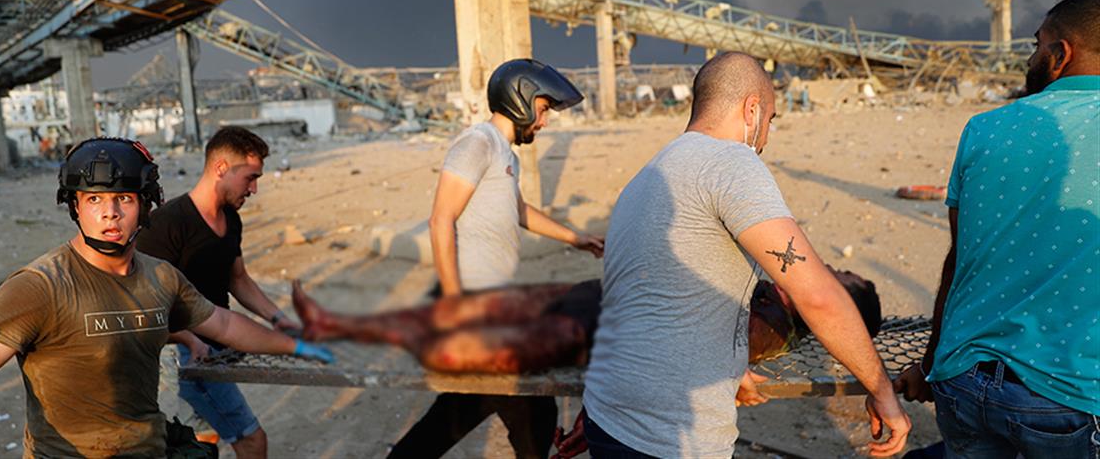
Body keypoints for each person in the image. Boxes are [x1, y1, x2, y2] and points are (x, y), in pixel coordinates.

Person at [581, 52, 910, 458]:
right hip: (667, 436)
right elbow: (817, 295)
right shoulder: (730, 162)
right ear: (751, 110)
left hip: (608, 414)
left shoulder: (653, 171)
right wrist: (882, 391)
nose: (767, 136)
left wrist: (729, 360)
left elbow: (663, 293)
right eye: (770, 120)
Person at [0, 138, 330, 458]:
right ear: (75, 207)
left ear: (145, 206)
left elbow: (223, 323)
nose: (109, 213)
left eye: (124, 199)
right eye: (94, 199)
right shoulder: (40, 286)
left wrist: (295, 345)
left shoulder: (161, 277)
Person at [893, 0, 1100, 457]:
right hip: (1074, 395)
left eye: (1036, 44)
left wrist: (930, 365)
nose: (1030, 57)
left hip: (963, 382)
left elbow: (958, 261)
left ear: (1060, 54)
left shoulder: (983, 128)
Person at [388, 58, 605, 459]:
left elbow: (518, 209)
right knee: (524, 407)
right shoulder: (478, 144)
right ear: (520, 100)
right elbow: (441, 220)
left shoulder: (505, 154)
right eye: (543, 109)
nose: (544, 122)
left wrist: (575, 238)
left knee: (498, 408)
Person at [288, 268, 883, 375]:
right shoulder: (772, 285)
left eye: (841, 279)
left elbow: (703, 346)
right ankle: (334, 324)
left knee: (456, 348)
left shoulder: (774, 328)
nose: (828, 270)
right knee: (468, 306)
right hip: (600, 296)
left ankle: (383, 335)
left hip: (600, 330)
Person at [137, 127, 310, 458]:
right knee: (252, 441)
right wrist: (189, 339)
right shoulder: (166, 224)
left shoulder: (231, 219)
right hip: (184, 351)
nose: (254, 189)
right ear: (221, 168)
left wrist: (279, 319)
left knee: (201, 440)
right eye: (250, 178)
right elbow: (146, 306)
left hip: (217, 343)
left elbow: (238, 279)